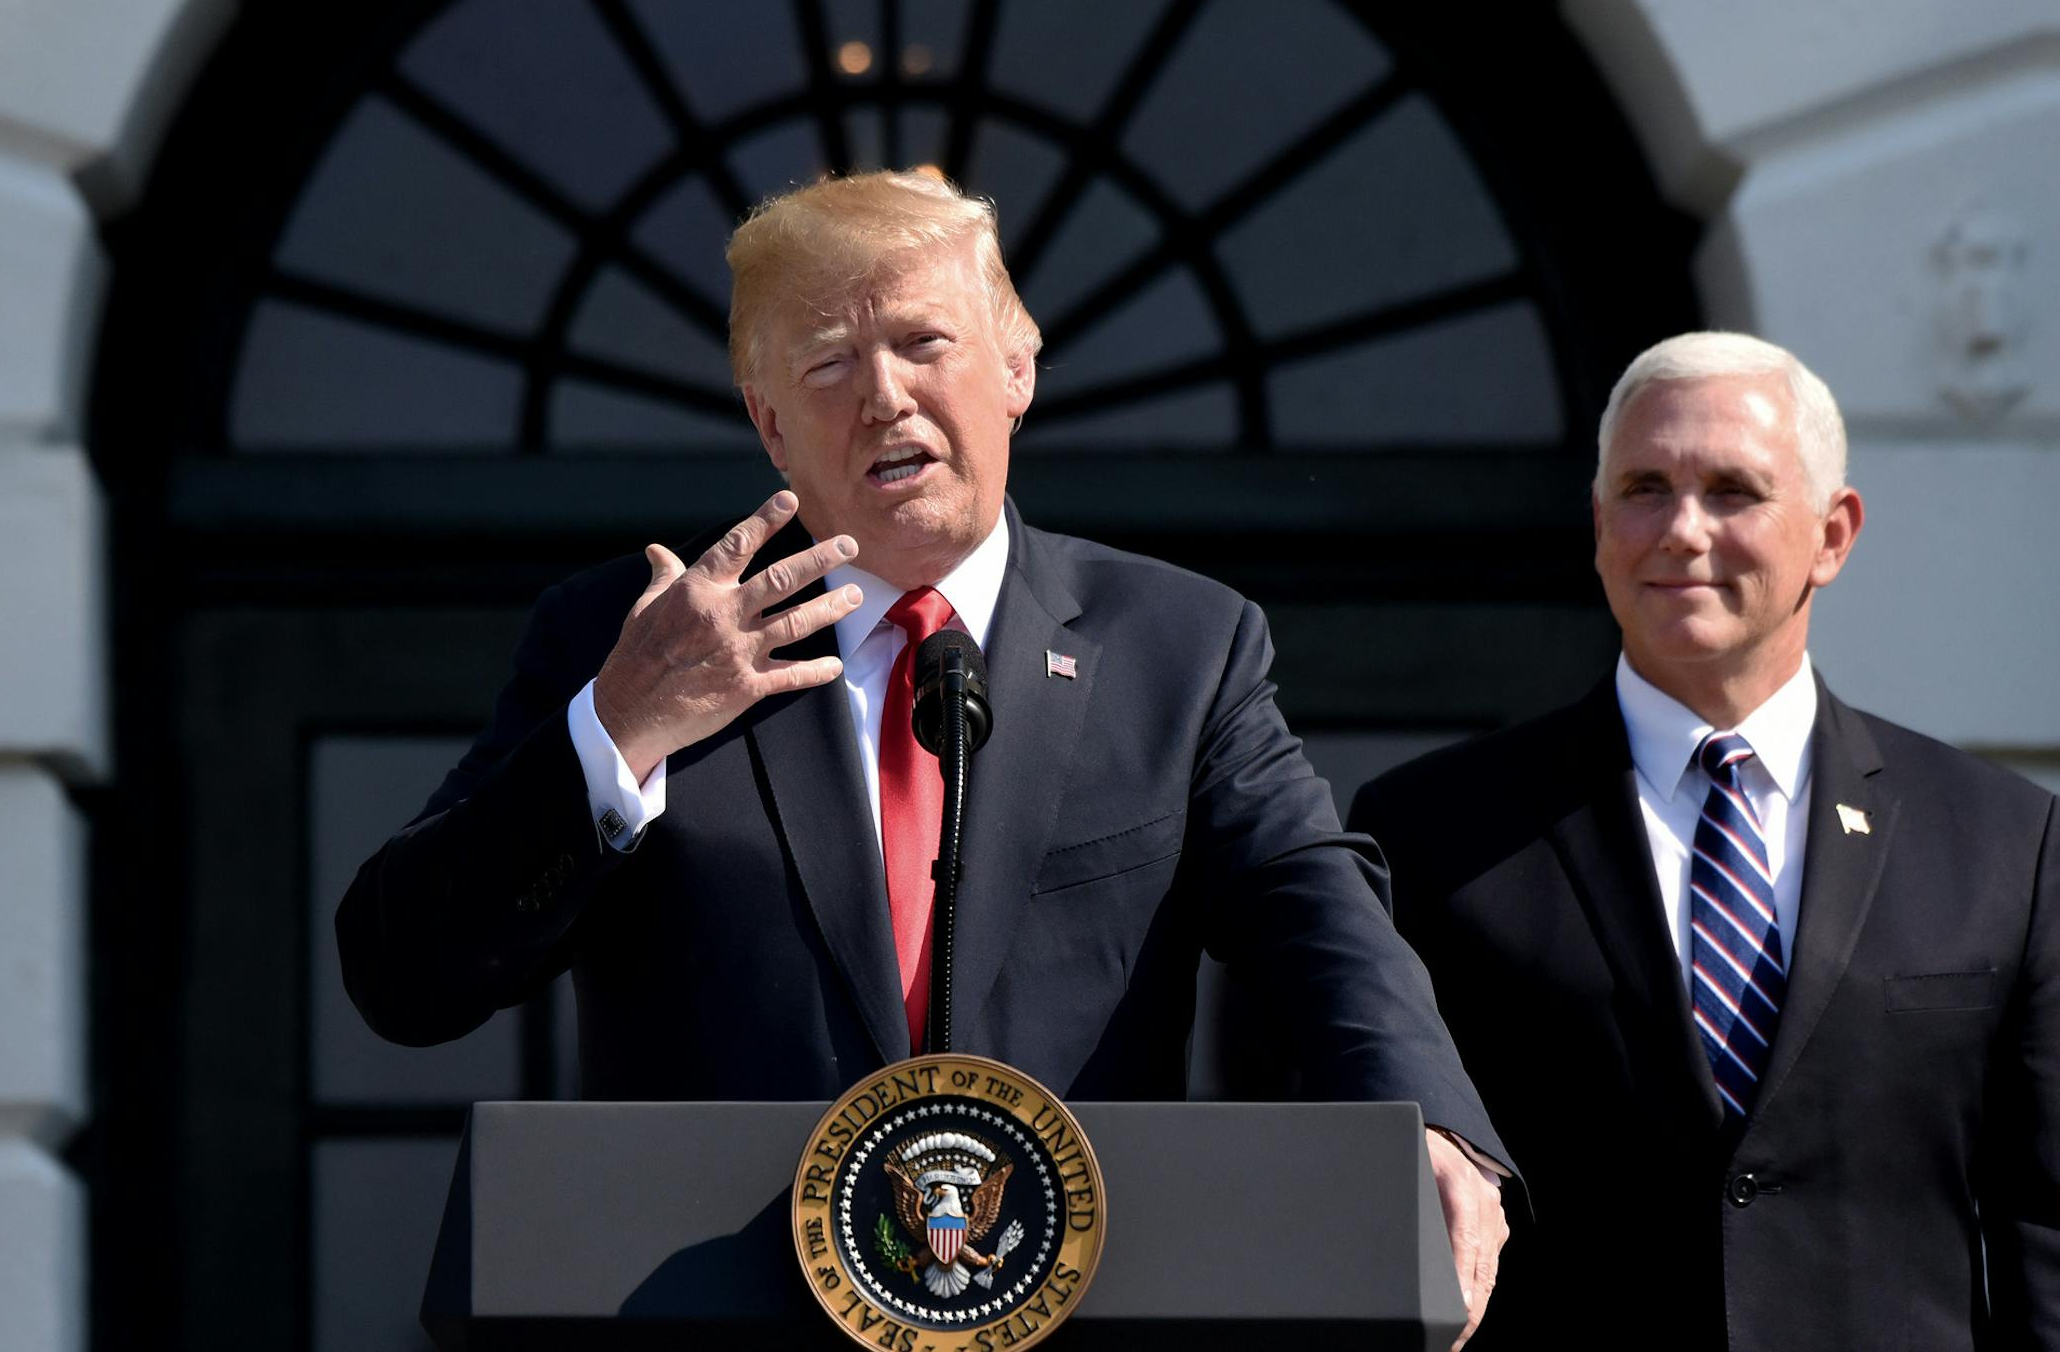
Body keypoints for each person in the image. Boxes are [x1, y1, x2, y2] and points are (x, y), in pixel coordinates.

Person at [336, 170, 1513, 1342]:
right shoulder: (632, 641)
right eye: (830, 364)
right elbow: (405, 976)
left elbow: (1314, 907)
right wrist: (621, 727)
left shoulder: (1179, 647)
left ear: (1018, 367)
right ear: (770, 422)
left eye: (922, 343)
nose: (886, 397)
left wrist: (1429, 1124)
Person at [1348, 331, 2060, 1350]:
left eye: (1733, 490)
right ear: (1599, 526)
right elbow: (1350, 1188)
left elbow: (2044, 1227)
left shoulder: (2002, 844)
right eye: (1645, 488)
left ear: (1832, 532)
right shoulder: (1430, 833)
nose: (1682, 529)